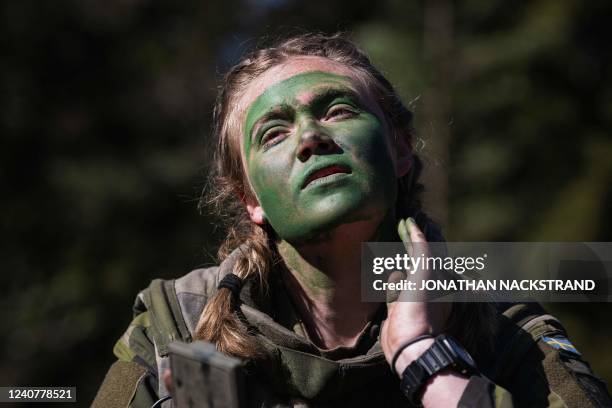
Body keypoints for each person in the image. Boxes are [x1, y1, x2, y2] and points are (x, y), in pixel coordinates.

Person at [93, 33, 611, 407]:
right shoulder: (175, 328)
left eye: (338, 110)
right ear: (249, 197)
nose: (311, 138)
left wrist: (424, 357)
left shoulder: (502, 323)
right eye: (272, 134)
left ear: (400, 147)